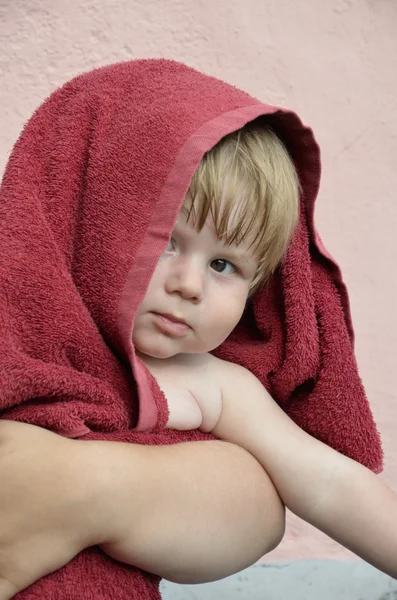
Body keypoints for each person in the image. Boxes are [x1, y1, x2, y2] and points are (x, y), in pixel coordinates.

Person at [0, 59, 386, 600]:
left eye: (223, 265)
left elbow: (328, 482)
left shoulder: (206, 382)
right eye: (167, 241)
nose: (189, 285)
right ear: (92, 216)